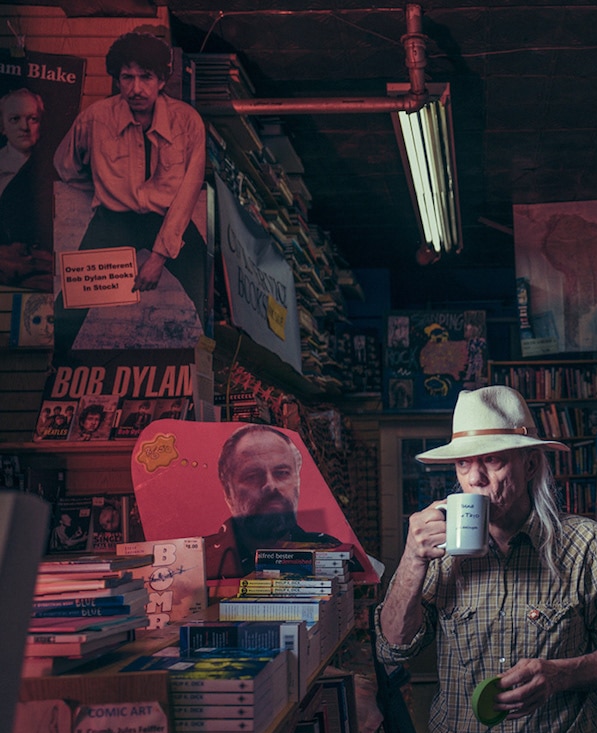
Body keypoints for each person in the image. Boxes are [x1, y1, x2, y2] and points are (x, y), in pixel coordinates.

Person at [376, 385, 597, 733]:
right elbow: (393, 648)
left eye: (493, 460)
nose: (475, 479)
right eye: (464, 464)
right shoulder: (435, 551)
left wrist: (558, 675)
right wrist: (412, 559)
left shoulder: (586, 544)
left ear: (530, 463)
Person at [53, 32, 208, 350]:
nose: (136, 88)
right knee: (69, 306)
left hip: (167, 220)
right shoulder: (96, 118)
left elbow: (189, 192)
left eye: (146, 77)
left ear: (162, 80)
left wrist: (159, 255)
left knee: (207, 293)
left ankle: (215, 376)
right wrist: (103, 186)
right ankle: (55, 373)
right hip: (113, 221)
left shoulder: (187, 122)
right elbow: (65, 165)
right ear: (117, 79)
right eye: (127, 77)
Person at [214, 423, 344, 575]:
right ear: (228, 492)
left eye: (282, 473)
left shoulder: (329, 552)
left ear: (297, 482)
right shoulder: (204, 563)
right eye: (252, 476)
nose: (270, 485)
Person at [0, 88, 42, 245]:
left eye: (33, 119)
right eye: (14, 119)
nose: (24, 127)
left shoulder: (52, 167)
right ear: (2, 126)